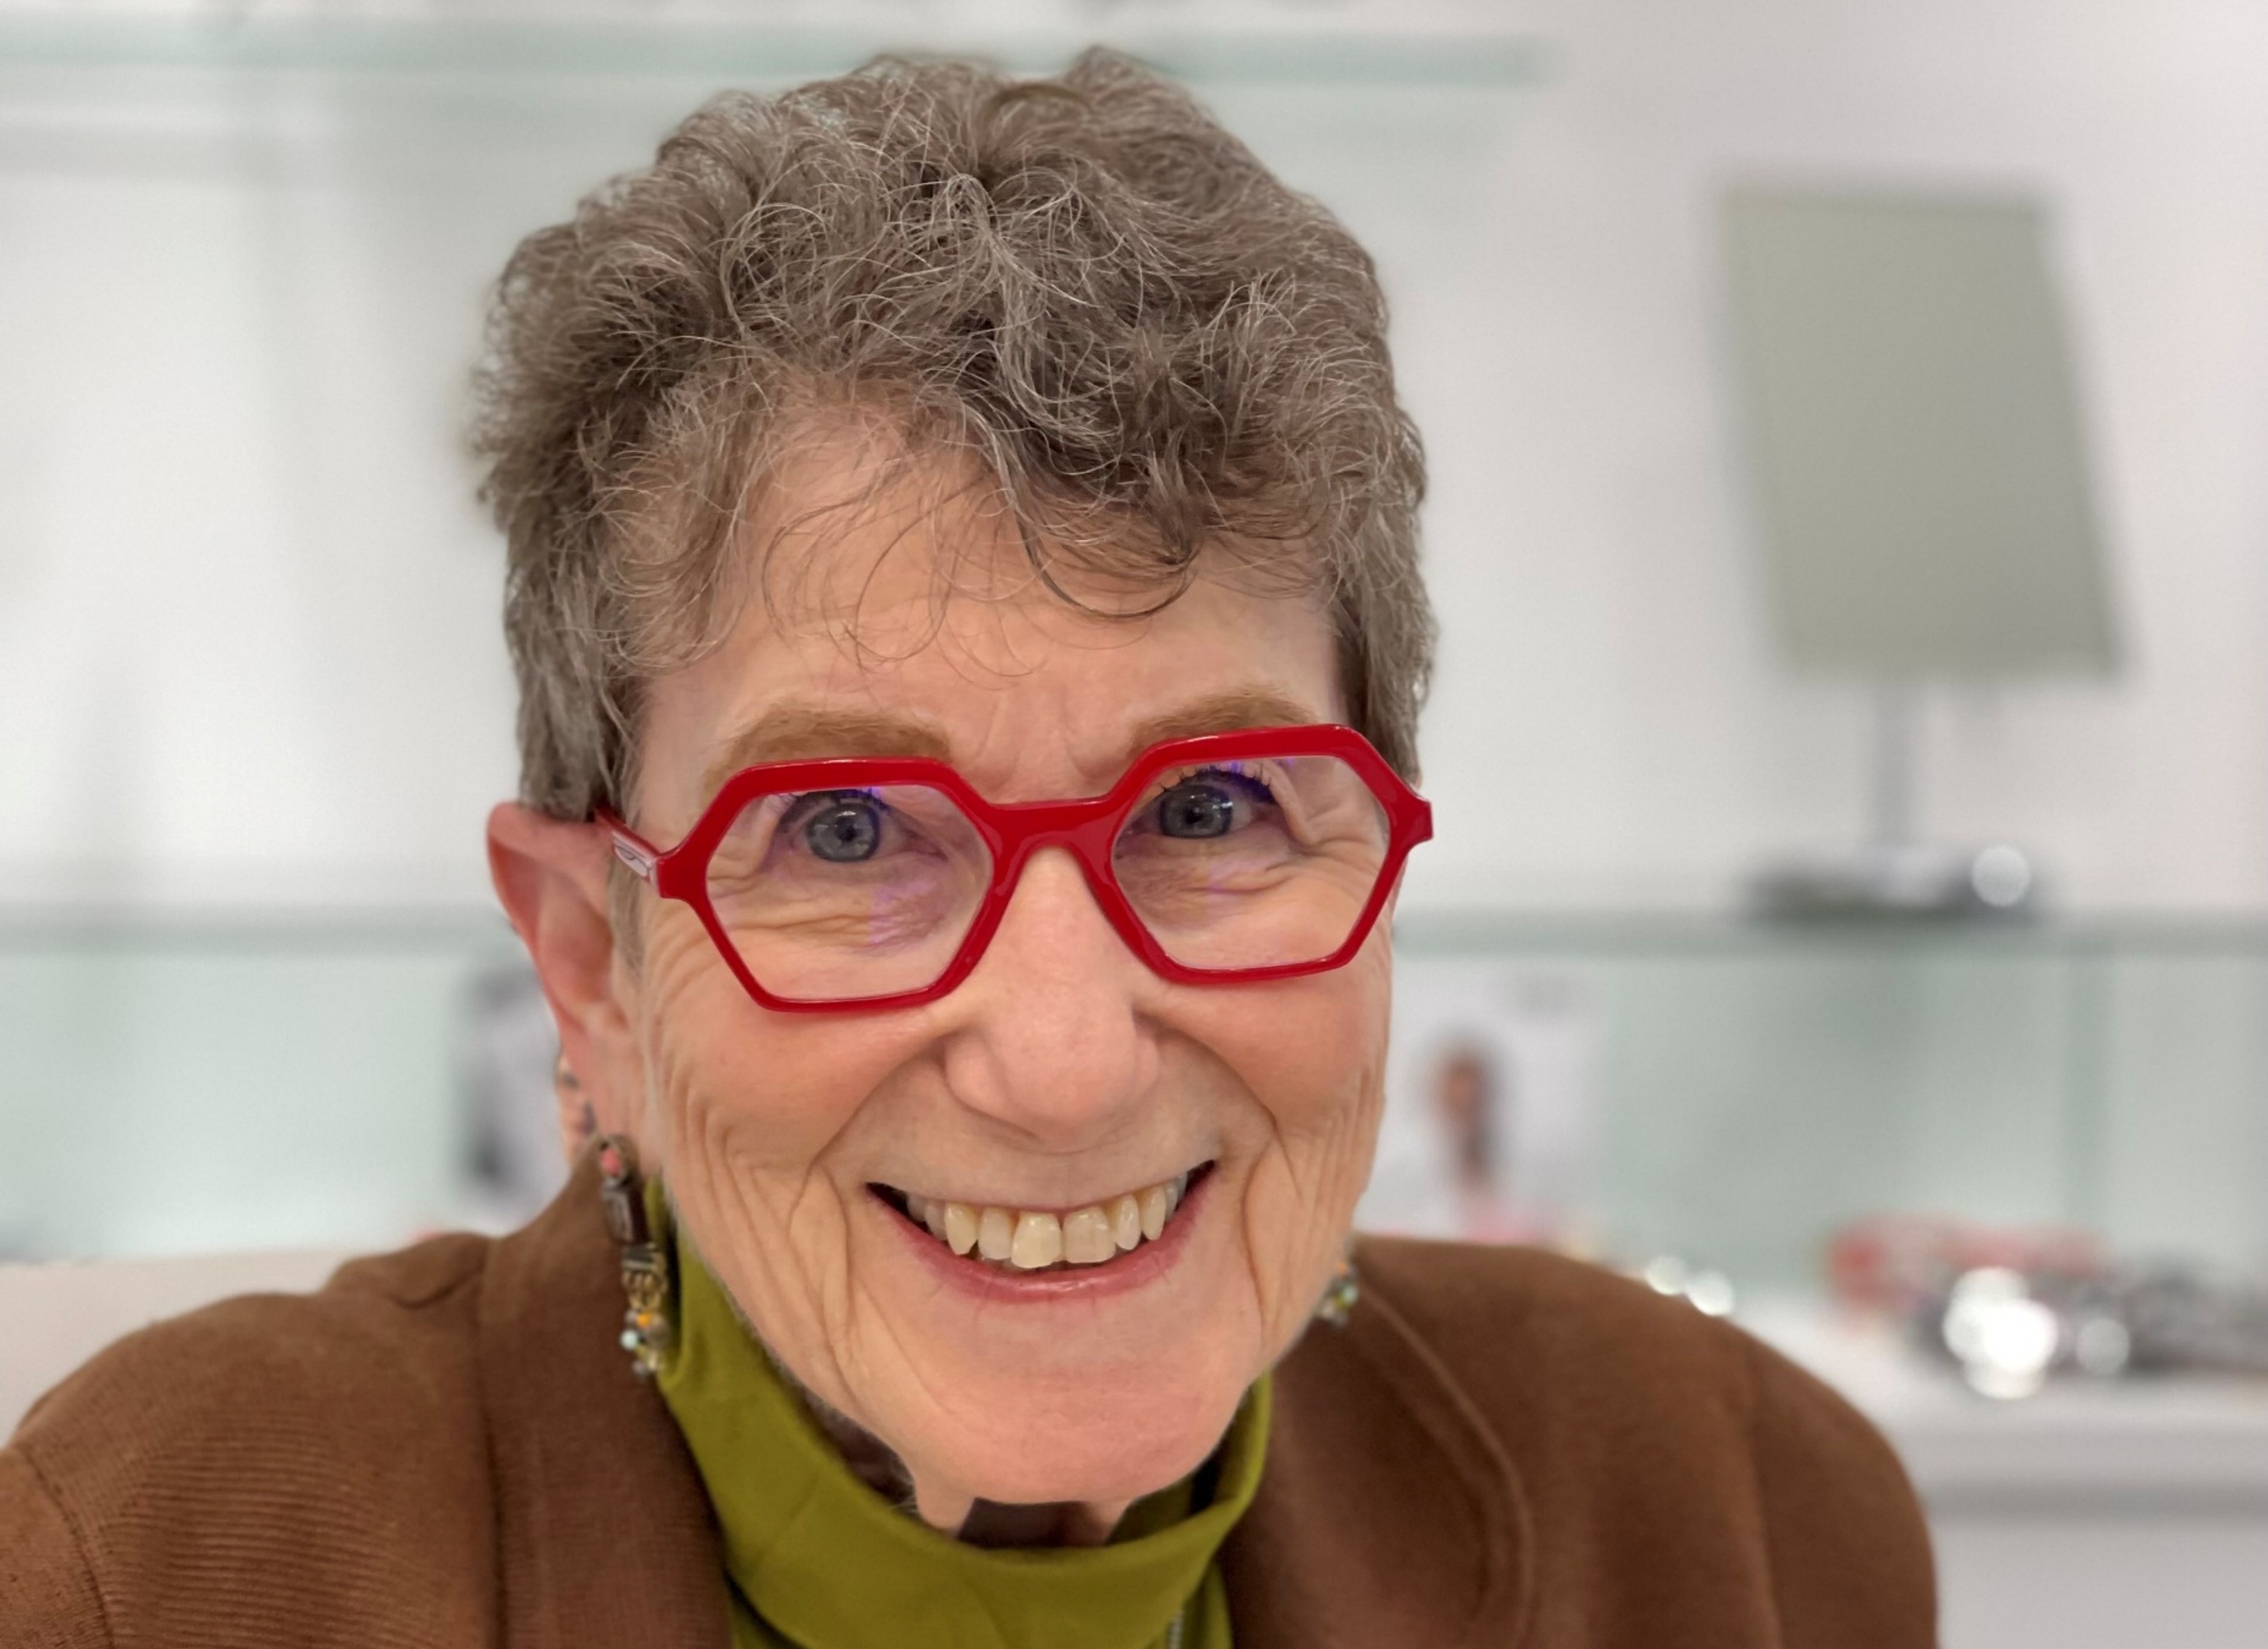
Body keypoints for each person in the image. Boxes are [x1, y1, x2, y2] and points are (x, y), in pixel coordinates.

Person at [0, 51, 1934, 1647]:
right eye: (842, 828)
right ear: (593, 961)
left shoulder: (1734, 1521)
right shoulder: (148, 1562)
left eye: (1210, 809)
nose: (1065, 1055)